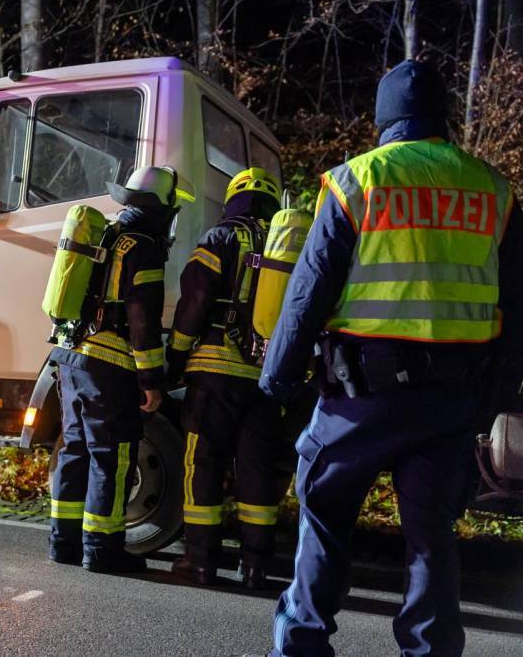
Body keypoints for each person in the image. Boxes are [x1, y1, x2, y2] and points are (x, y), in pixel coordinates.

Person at [258, 59, 523, 656]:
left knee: (324, 509)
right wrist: (494, 399)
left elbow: (309, 291)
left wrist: (279, 377)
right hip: (450, 403)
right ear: (442, 117)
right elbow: (518, 308)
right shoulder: (494, 191)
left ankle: (301, 645)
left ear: (384, 119)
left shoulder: (357, 182)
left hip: (361, 399)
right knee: (432, 536)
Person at [48, 166, 189, 574]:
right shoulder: (142, 247)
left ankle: (63, 542)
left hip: (70, 356)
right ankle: (102, 548)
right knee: (111, 457)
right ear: (161, 208)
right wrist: (152, 381)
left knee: (75, 450)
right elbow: (143, 322)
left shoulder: (105, 233)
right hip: (108, 367)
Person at [165, 167, 287, 589]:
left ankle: (199, 561)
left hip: (214, 373)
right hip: (265, 378)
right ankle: (255, 567)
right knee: (257, 469)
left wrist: (175, 357)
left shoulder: (221, 237)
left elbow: (194, 301)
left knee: (202, 464)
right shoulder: (285, 247)